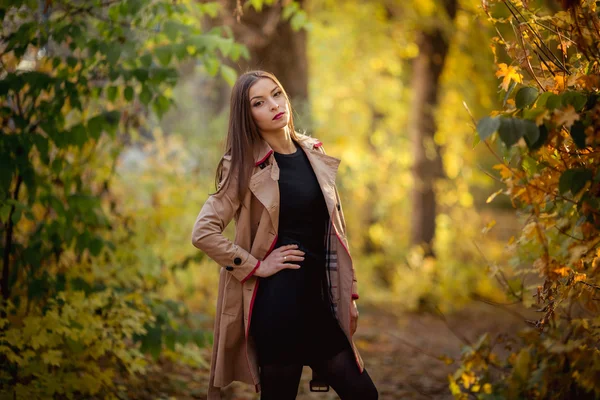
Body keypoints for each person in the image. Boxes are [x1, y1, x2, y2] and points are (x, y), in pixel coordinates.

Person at [191, 70, 378, 400]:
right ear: (247, 116)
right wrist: (256, 265)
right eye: (260, 102)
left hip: (318, 301)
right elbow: (203, 232)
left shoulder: (313, 153)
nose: (274, 105)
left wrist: (350, 295)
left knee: (363, 394)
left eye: (277, 94)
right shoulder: (245, 165)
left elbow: (336, 232)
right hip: (278, 305)